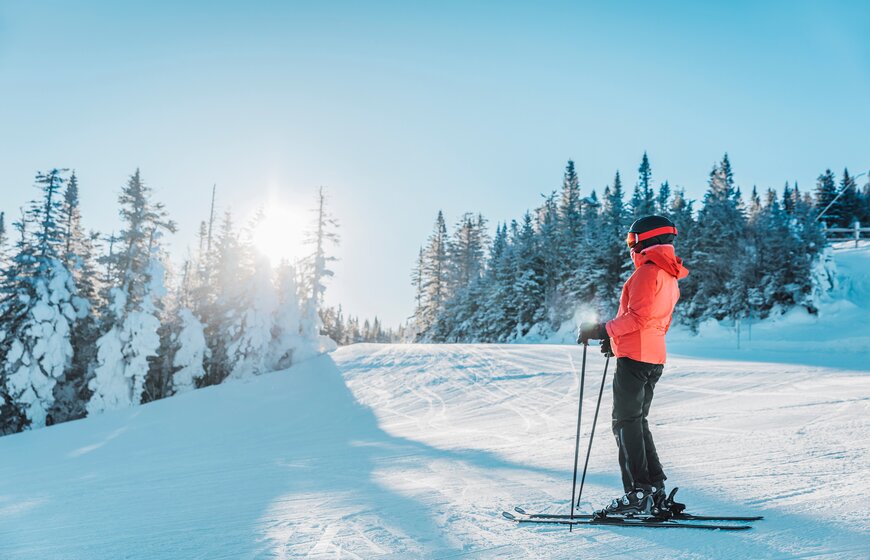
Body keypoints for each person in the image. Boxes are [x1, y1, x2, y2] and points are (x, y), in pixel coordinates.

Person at [578, 215, 689, 517]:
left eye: (631, 241)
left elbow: (637, 318)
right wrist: (615, 342)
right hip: (653, 357)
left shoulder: (646, 274)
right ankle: (655, 490)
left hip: (636, 359)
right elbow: (655, 323)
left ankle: (638, 493)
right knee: (638, 422)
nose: (630, 247)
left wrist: (602, 330)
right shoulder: (669, 276)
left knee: (625, 423)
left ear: (646, 240)